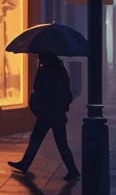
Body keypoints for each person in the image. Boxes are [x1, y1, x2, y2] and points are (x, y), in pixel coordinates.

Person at [9, 51, 79, 180]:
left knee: (38, 139)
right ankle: (72, 169)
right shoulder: (60, 68)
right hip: (57, 111)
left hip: (47, 111)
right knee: (58, 142)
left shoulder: (45, 70)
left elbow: (37, 87)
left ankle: (26, 163)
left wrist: (39, 70)